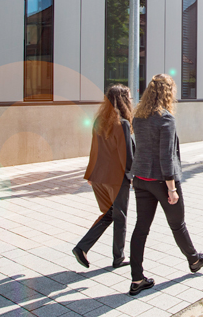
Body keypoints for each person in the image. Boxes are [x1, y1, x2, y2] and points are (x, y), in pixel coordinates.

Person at [128, 74, 203, 296]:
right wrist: (172, 188)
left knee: (141, 229)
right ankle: (194, 260)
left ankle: (137, 279)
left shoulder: (138, 116)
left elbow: (140, 150)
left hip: (141, 181)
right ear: (168, 93)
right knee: (178, 224)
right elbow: (166, 157)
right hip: (162, 181)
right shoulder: (166, 119)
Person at [73, 85, 135, 270]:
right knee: (120, 216)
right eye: (129, 98)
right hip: (117, 178)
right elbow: (127, 155)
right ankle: (119, 258)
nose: (131, 101)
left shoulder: (99, 120)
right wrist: (131, 176)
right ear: (123, 100)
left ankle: (82, 247)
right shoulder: (123, 123)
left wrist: (90, 173)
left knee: (110, 214)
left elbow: (94, 150)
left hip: (99, 177)